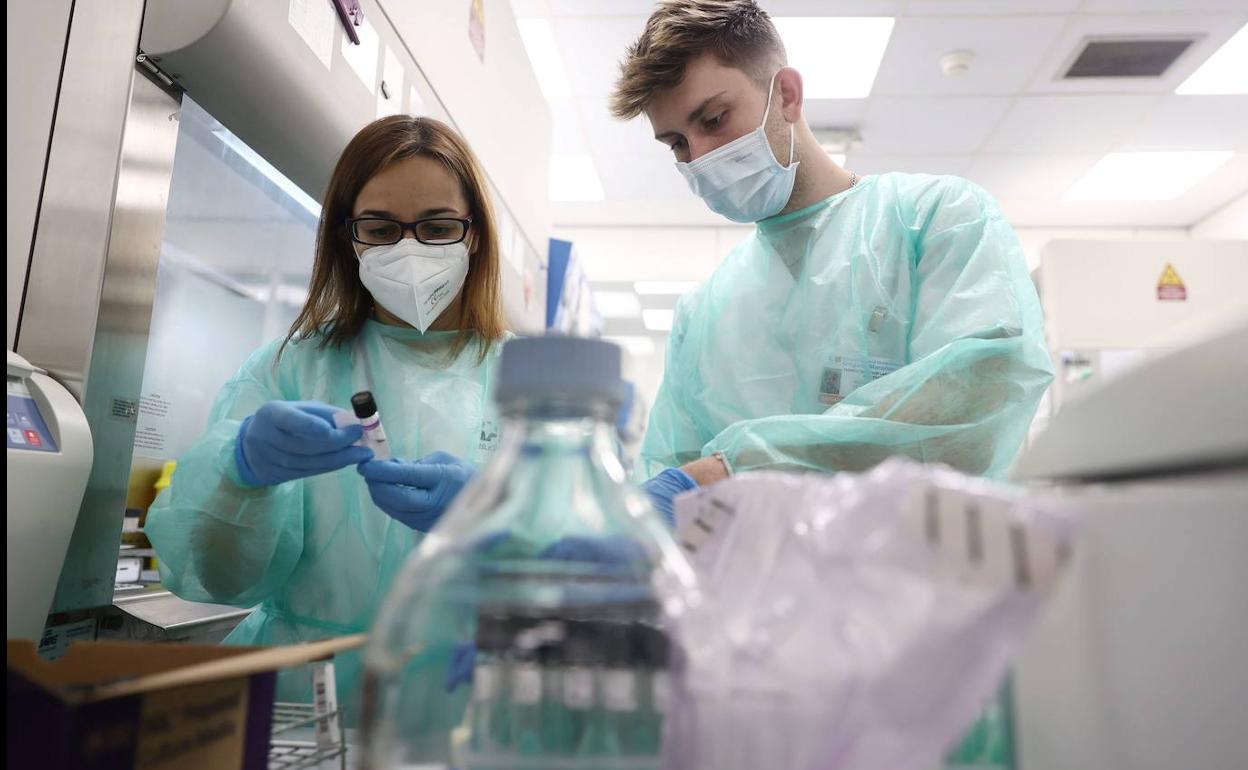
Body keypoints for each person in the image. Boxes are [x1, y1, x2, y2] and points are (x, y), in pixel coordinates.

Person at [145, 115, 509, 720]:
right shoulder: (288, 370)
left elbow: (584, 580)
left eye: (438, 227)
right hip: (301, 704)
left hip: (463, 707)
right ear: (348, 235)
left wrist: (494, 519)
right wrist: (239, 477)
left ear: (474, 235)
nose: (409, 249)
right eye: (381, 228)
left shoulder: (532, 383)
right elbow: (219, 579)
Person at [611, 0, 1054, 487]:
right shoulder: (702, 314)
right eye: (677, 143)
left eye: (714, 120)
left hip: (915, 561)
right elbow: (668, 474)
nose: (700, 158)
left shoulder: (937, 220)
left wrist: (739, 467)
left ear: (786, 96)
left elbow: (973, 410)